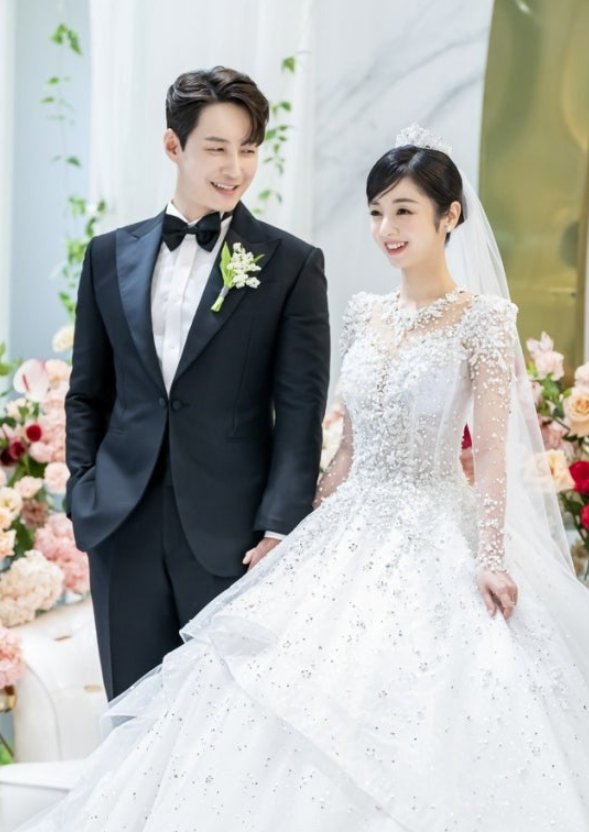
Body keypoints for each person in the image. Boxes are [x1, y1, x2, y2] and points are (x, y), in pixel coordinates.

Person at [24, 127, 589, 831]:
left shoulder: (484, 321)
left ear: (449, 216)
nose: (386, 228)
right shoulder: (365, 313)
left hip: (436, 526)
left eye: (404, 211)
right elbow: (349, 447)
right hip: (349, 528)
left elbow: (495, 454)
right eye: (376, 211)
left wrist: (493, 556)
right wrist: (301, 525)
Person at [64, 66, 330, 700]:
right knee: (129, 718)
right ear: (172, 146)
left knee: (225, 725)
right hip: (121, 527)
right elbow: (87, 393)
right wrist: (84, 489)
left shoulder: (291, 264)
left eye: (248, 149)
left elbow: (300, 409)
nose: (235, 168)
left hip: (233, 538)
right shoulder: (108, 255)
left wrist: (280, 527)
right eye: (216, 148)